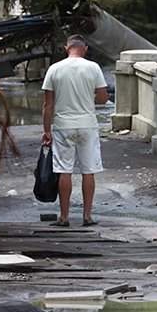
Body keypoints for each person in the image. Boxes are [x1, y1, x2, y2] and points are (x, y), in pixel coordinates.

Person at [41, 35, 108, 227]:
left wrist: (46, 130)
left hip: (63, 126)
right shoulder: (93, 67)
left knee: (64, 171)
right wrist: (88, 99)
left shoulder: (54, 69)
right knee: (89, 171)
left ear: (66, 48)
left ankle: (64, 217)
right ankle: (87, 217)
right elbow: (103, 98)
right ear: (85, 48)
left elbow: (48, 104)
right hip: (87, 125)